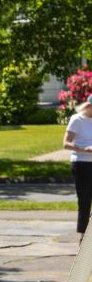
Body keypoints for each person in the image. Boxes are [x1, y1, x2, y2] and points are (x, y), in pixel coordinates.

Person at [63, 93, 92, 238]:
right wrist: (84, 149)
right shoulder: (77, 119)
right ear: (89, 106)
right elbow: (66, 144)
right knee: (85, 200)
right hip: (81, 163)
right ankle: (83, 235)